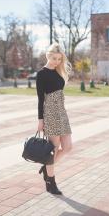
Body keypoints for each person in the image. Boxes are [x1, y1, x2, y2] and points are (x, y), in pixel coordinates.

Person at [36, 42, 72, 195]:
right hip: (50, 112)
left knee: (68, 146)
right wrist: (40, 120)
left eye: (59, 59)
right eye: (54, 58)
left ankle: (46, 167)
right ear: (48, 56)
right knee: (54, 149)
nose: (57, 61)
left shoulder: (58, 72)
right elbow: (40, 99)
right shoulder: (41, 74)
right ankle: (51, 182)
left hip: (62, 112)